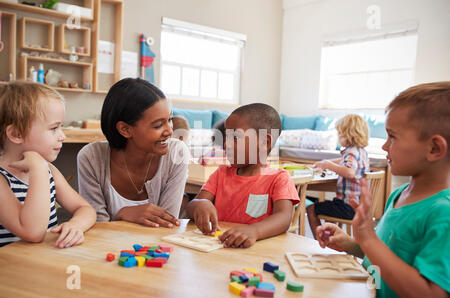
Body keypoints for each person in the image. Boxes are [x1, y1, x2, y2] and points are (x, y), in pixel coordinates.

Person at [316, 82, 450, 298]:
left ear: (434, 148)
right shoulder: (399, 195)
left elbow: (431, 295)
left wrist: (368, 238)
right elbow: (386, 255)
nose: (385, 146)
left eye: (392, 137)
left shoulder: (443, 214)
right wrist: (351, 244)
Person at [77, 78, 189, 227]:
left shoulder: (177, 153)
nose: (169, 131)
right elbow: (96, 227)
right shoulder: (91, 157)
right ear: (125, 129)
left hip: (154, 250)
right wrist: (122, 214)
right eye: (158, 125)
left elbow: (166, 224)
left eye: (169, 120)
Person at [185, 103, 300, 248]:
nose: (226, 145)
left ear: (265, 142)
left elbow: (284, 218)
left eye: (235, 137)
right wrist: (199, 204)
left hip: (258, 252)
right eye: (226, 137)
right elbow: (191, 208)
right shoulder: (220, 174)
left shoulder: (279, 179)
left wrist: (255, 231)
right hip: (218, 248)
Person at [0, 81, 96, 248]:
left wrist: (76, 225)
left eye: (62, 127)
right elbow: (32, 232)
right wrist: (38, 169)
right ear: (16, 134)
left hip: (42, 265)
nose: (62, 136)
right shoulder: (3, 179)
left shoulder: (50, 171)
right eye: (54, 128)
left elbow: (85, 208)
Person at [306, 114, 370, 239]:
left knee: (311, 209)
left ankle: (321, 240)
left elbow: (350, 172)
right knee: (330, 206)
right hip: (359, 207)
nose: (338, 137)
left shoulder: (351, 152)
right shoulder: (361, 152)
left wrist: (328, 164)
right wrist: (325, 163)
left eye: (340, 134)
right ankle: (331, 238)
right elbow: (343, 161)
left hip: (348, 207)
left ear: (348, 134)